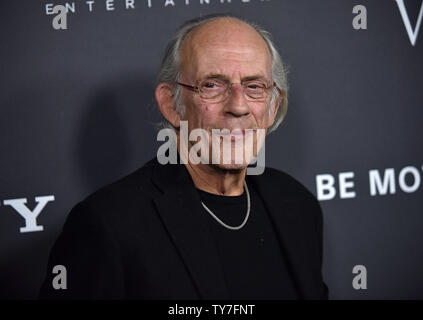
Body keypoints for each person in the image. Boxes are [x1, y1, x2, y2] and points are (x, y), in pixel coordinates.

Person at [39, 13, 328, 300]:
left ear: (273, 106)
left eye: (255, 87)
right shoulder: (108, 225)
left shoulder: (298, 205)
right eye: (212, 85)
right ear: (171, 104)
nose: (238, 107)